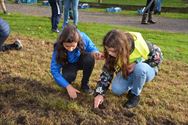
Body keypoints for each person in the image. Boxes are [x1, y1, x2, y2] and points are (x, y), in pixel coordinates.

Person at [93, 29, 163, 108]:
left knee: (140, 68)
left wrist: (136, 63)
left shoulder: (141, 44)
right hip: (127, 72)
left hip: (147, 70)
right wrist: (99, 93)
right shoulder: (111, 53)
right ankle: (135, 82)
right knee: (117, 89)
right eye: (108, 50)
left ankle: (135, 94)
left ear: (122, 47)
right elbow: (107, 72)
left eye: (113, 51)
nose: (110, 53)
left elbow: (158, 58)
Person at [50, 24, 103, 99]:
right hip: (68, 64)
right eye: (67, 46)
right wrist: (68, 86)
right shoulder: (58, 48)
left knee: (89, 58)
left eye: (73, 46)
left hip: (81, 60)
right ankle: (68, 83)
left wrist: (96, 53)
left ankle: (84, 84)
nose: (70, 49)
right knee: (68, 77)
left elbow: (92, 48)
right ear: (62, 43)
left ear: (77, 42)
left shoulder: (83, 37)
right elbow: (54, 70)